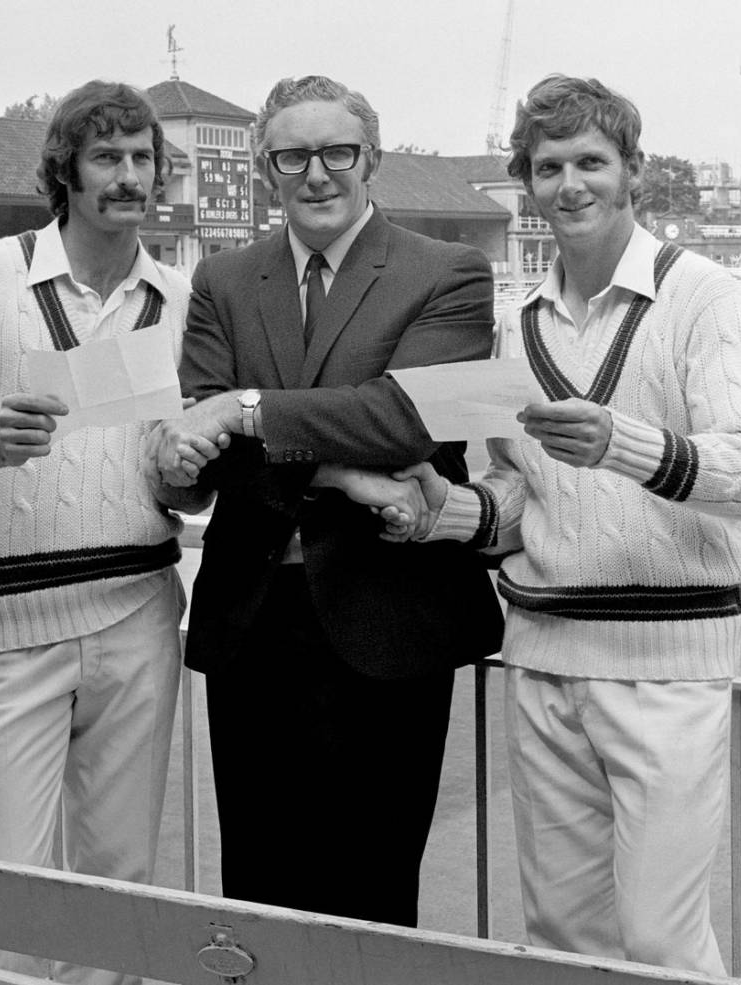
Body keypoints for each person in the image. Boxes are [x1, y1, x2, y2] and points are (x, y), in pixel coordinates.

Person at [383, 75, 741, 974]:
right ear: (526, 181)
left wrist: (623, 443)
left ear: (632, 172)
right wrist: (441, 511)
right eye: (549, 166)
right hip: (543, 654)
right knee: (565, 943)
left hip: (668, 663)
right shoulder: (514, 318)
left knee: (659, 938)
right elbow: (520, 493)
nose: (571, 185)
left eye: (592, 162)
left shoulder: (702, 296)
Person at [149, 74, 504, 927]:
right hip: (254, 621)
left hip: (389, 619)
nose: (317, 174)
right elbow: (216, 453)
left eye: (336, 152)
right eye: (293, 155)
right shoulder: (224, 280)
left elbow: (407, 421)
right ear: (268, 166)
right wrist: (346, 470)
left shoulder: (448, 272)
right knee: (260, 891)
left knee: (373, 891)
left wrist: (248, 409)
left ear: (370, 158)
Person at [0, 80, 188, 985]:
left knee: (120, 886)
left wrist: (191, 469)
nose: (127, 177)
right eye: (107, 158)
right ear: (66, 170)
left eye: (141, 159)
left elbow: (186, 473)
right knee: (8, 896)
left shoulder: (177, 296)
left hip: (138, 612)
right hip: (10, 623)